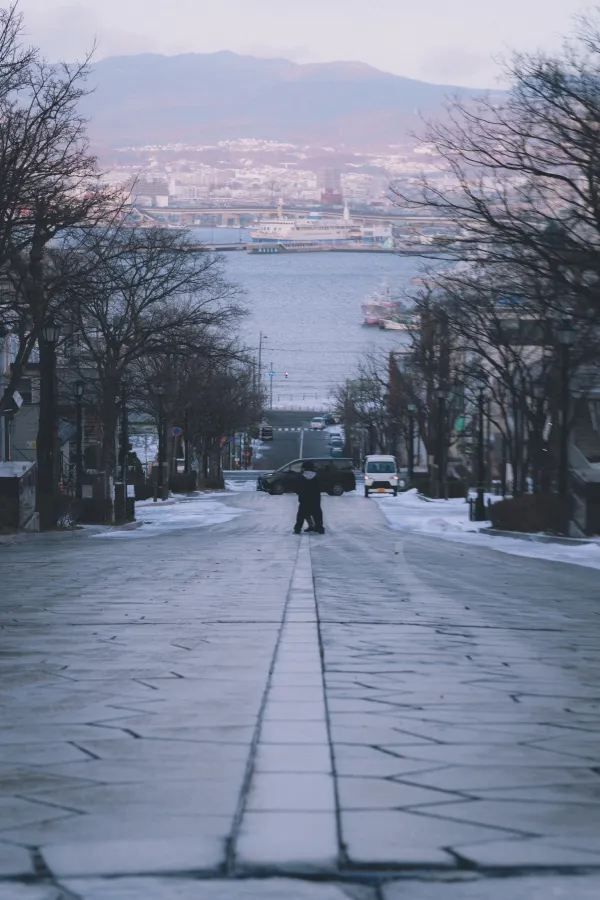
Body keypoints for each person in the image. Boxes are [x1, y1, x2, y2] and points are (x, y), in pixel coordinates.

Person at [294, 460, 324, 534]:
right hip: (315, 500)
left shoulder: (301, 477)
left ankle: (297, 529)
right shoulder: (317, 477)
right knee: (317, 515)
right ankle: (320, 528)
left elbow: (298, 488)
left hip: (304, 500)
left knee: (301, 515)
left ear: (304, 468)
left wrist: (300, 494)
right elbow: (320, 487)